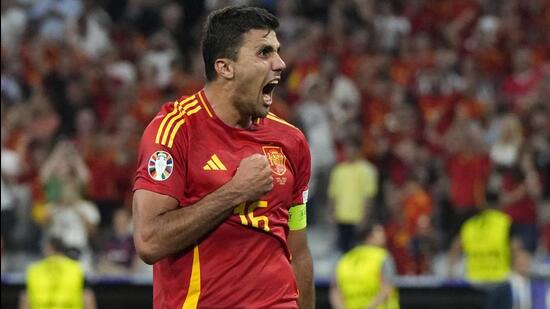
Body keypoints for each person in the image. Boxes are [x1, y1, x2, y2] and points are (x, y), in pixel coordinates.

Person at [132, 5, 314, 308]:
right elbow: (149, 241)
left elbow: (299, 251)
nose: (280, 63)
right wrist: (234, 192)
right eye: (264, 52)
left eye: (278, 51)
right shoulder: (175, 131)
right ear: (225, 67)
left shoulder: (291, 141)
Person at [330, 222, 400, 309]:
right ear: (368, 237)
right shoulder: (382, 257)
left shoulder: (344, 259)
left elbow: (335, 292)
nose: (384, 237)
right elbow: (388, 288)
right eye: (380, 233)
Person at [328, 139, 378, 253]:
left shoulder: (367, 170)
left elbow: (369, 196)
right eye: (346, 149)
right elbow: (333, 194)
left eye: (351, 149)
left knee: (359, 250)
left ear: (359, 150)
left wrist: (365, 217)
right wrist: (331, 213)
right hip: (341, 217)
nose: (348, 152)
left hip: (358, 217)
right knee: (343, 250)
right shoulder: (339, 170)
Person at [18, 236, 96, 309]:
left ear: (47, 249)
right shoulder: (76, 269)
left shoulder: (34, 270)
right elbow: (88, 299)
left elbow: (25, 300)